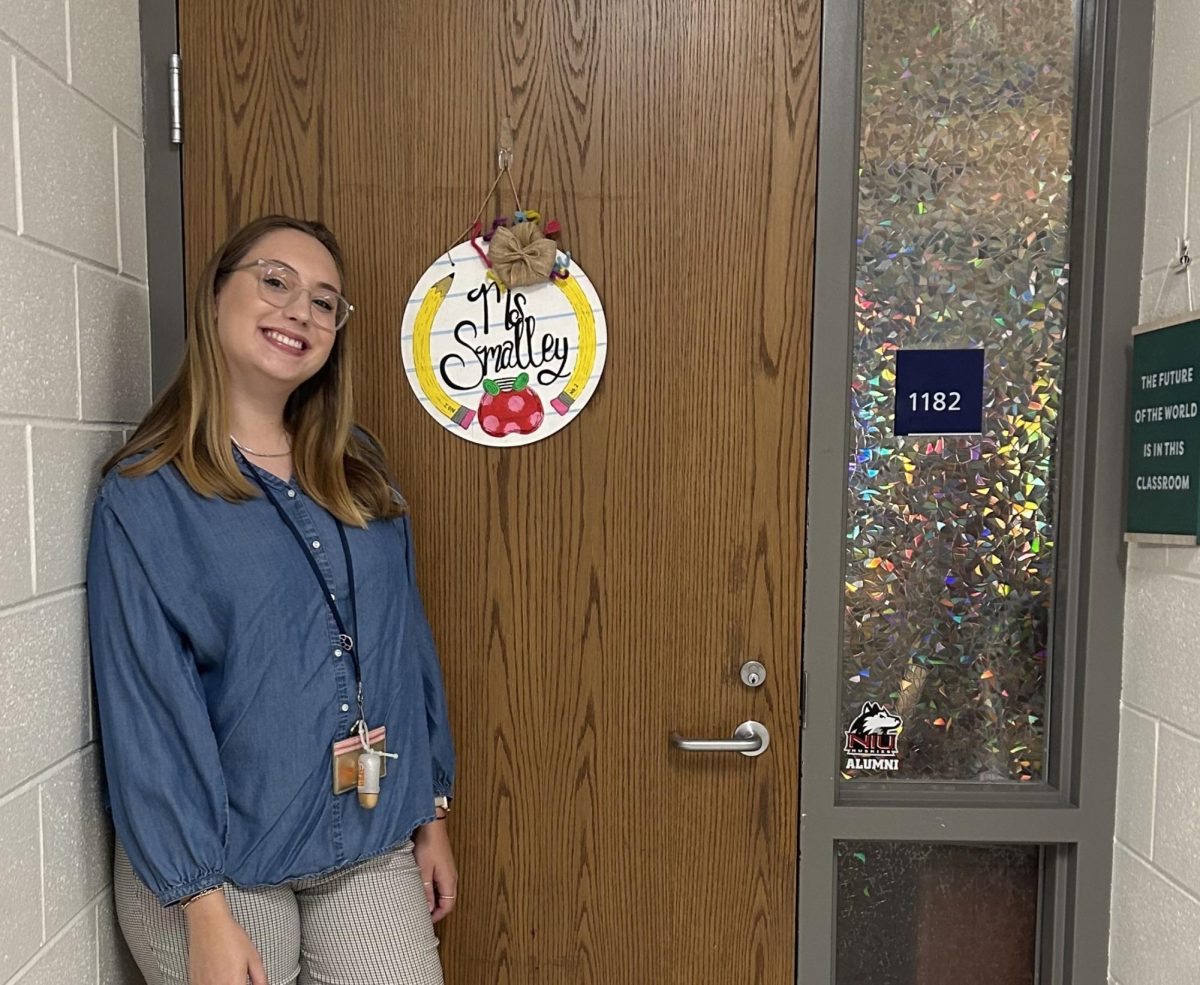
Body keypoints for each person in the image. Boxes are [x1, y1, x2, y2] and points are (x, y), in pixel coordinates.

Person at [87, 215, 457, 985]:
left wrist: (429, 811)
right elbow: (148, 707)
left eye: (325, 302)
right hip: (219, 858)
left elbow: (401, 643)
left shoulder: (358, 467)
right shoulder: (146, 493)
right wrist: (203, 907)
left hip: (363, 835)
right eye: (276, 281)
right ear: (216, 295)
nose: (301, 312)